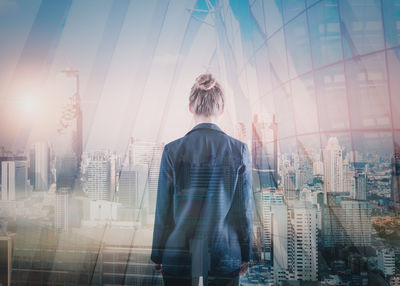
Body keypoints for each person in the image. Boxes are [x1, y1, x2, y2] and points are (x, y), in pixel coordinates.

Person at [151, 74, 253, 286]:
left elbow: (163, 210)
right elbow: (243, 211)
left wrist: (158, 254)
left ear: (190, 107)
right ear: (222, 109)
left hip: (178, 254)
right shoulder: (239, 150)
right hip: (224, 255)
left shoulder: (171, 151)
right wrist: (245, 254)